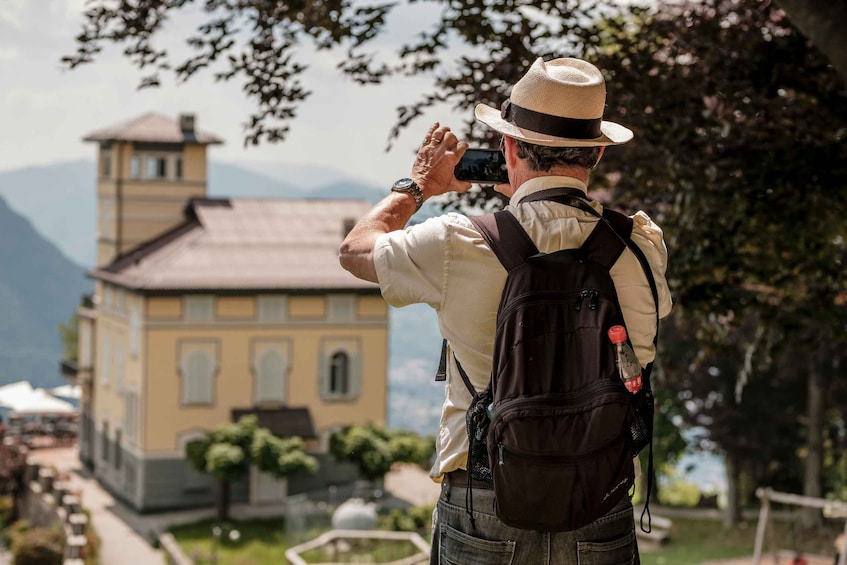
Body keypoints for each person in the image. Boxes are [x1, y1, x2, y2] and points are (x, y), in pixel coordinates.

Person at [339, 56, 673, 563]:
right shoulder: (642, 245)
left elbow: (355, 252)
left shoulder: (457, 241)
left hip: (484, 494)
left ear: (509, 146)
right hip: (598, 495)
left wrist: (418, 188)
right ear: (597, 152)